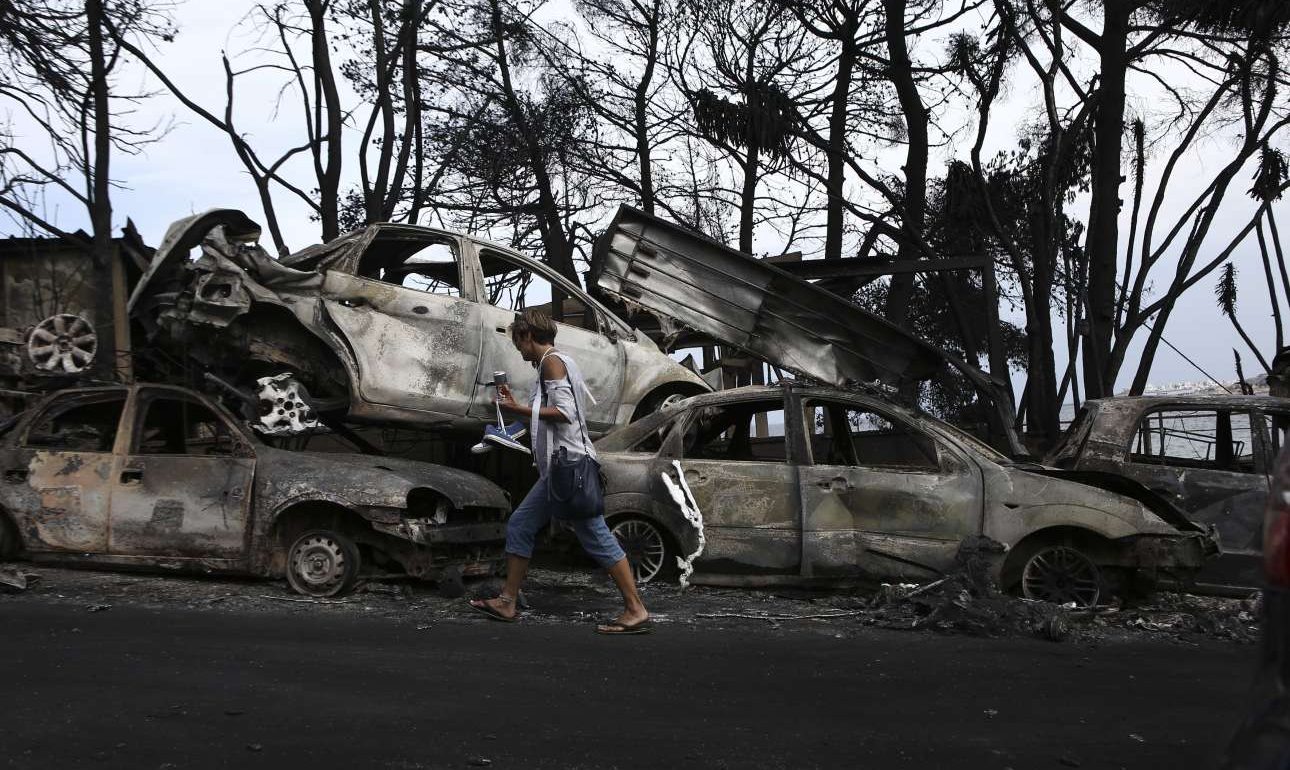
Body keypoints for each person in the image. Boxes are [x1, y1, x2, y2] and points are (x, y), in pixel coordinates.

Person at [468, 308, 652, 635]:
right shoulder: (555, 363)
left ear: (528, 335)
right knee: (521, 524)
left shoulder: (552, 362)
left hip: (569, 467)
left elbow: (564, 413)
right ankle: (507, 601)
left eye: (518, 343)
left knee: (595, 535)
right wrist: (516, 415)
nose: (519, 351)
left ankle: (636, 609)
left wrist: (516, 408)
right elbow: (549, 417)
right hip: (558, 468)